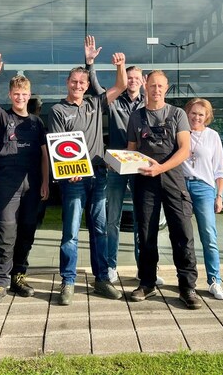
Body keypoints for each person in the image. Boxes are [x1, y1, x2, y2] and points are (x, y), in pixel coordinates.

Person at [47, 38, 127, 305]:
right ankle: (68, 281)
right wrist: (68, 171)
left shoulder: (95, 104)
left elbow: (121, 86)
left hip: (98, 176)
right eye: (74, 82)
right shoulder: (58, 110)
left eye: (82, 82)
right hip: (73, 179)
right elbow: (58, 146)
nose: (78, 86)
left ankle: (102, 279)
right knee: (70, 232)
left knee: (100, 230)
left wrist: (119, 65)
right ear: (67, 83)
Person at [84, 40, 164, 286]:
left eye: (137, 78)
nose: (133, 81)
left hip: (141, 168)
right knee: (113, 220)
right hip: (116, 168)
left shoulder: (148, 105)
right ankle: (111, 266)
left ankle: (145, 269)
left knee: (143, 219)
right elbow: (95, 88)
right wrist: (90, 63)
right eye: (129, 78)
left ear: (143, 82)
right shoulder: (115, 101)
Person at [0, 53, 50, 304]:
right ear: (10, 95)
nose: (20, 97)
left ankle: (19, 275)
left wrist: (45, 182)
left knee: (27, 231)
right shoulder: (3, 118)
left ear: (29, 96)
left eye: (24, 94)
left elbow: (44, 155)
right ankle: (0, 282)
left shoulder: (37, 123)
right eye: (16, 94)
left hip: (33, 185)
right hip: (7, 185)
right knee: (6, 232)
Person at [125, 70, 201, 309]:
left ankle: (187, 287)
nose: (156, 90)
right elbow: (131, 149)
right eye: (152, 85)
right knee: (146, 234)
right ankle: (147, 283)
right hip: (144, 182)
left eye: (160, 86)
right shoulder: (136, 117)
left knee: (182, 233)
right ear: (145, 86)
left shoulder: (177, 114)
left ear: (166, 88)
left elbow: (185, 149)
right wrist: (118, 161)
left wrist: (161, 168)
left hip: (172, 179)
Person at [182, 97, 223, 300]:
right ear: (187, 113)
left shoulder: (212, 136)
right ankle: (186, 281)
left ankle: (214, 281)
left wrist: (219, 196)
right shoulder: (180, 132)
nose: (196, 117)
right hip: (181, 186)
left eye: (201, 114)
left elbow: (220, 169)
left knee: (209, 235)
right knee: (183, 236)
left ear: (207, 116)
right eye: (193, 113)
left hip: (204, 187)